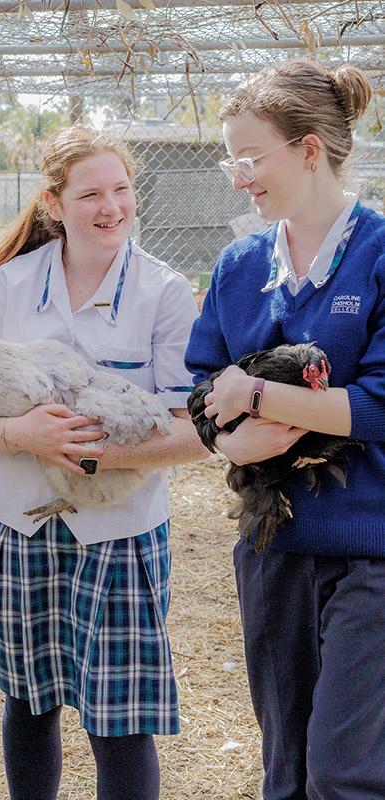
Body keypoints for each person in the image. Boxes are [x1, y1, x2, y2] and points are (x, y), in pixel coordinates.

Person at [0, 124, 208, 800]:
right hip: (17, 520)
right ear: (55, 204)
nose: (112, 207)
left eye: (122, 189)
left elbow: (194, 432)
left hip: (118, 530)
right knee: (29, 703)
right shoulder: (12, 282)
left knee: (118, 724)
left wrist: (91, 450)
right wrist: (23, 436)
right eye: (91, 193)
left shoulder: (163, 292)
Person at [185, 59, 385, 799]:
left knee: (345, 774)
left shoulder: (379, 252)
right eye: (228, 157)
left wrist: (256, 397)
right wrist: (228, 439)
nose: (238, 176)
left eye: (250, 156)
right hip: (272, 543)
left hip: (370, 551)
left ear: (308, 149)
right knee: (287, 772)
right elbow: (200, 389)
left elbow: (381, 406)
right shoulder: (240, 264)